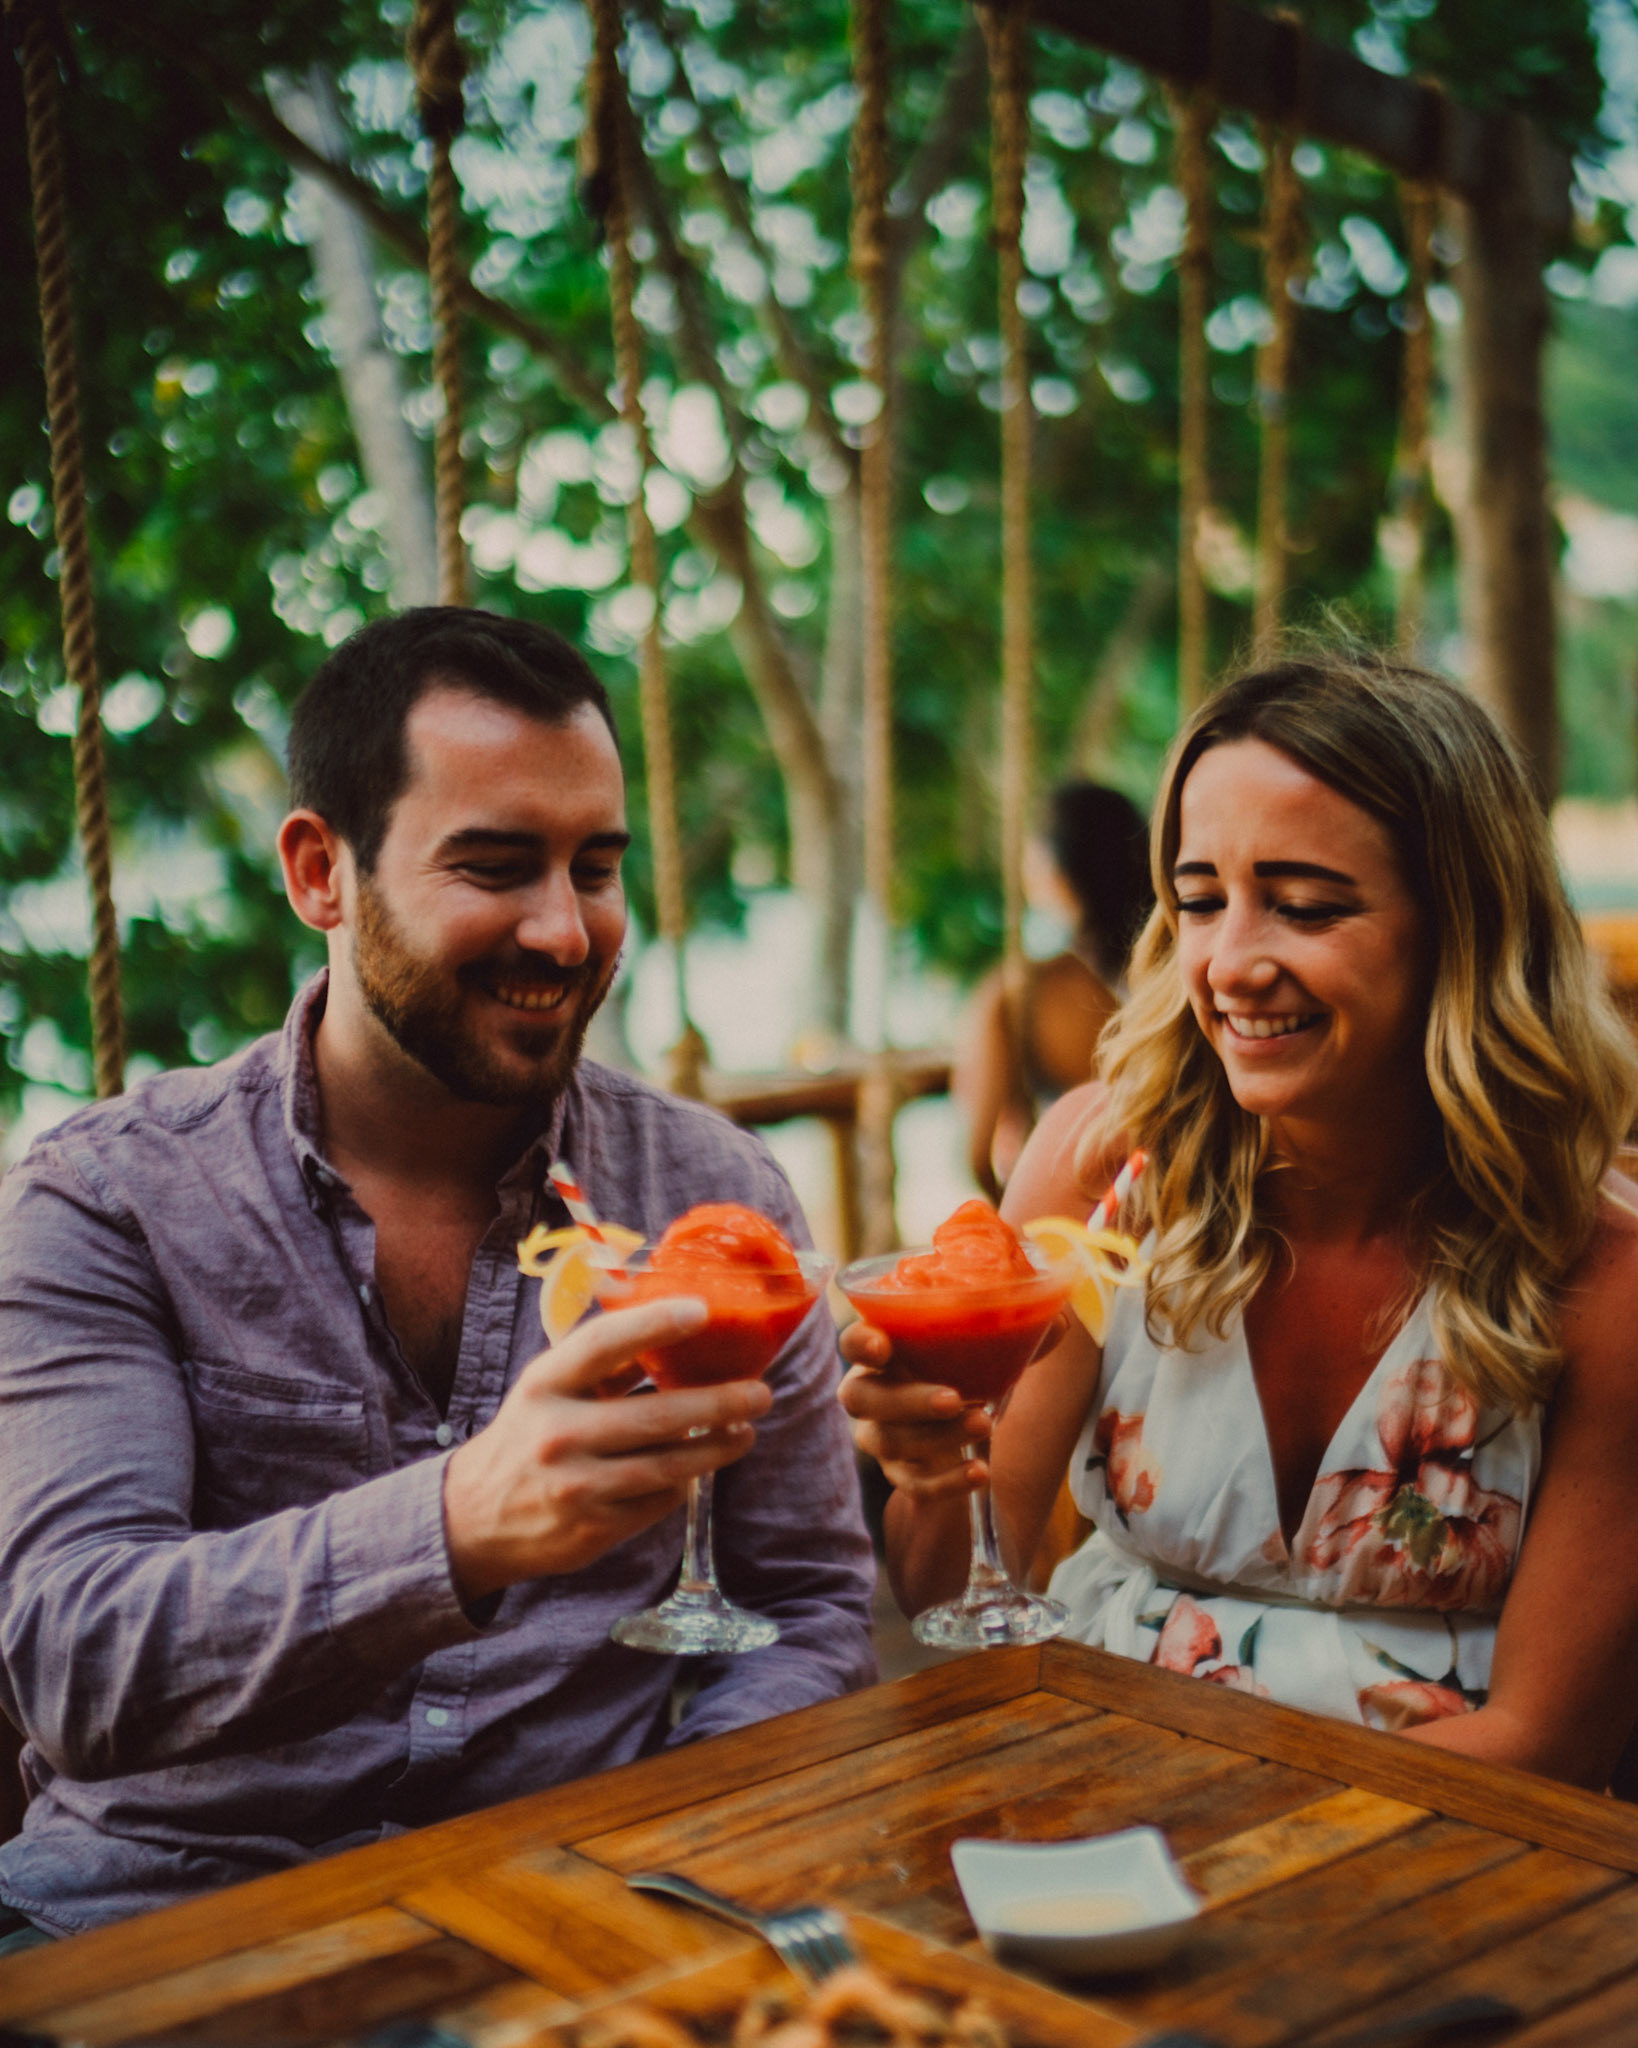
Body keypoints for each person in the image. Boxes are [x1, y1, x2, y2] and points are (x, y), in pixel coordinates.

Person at [0, 607, 875, 1939]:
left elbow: (803, 1603)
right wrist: (457, 1522)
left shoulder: (718, 1197)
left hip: (591, 1913)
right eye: (495, 866)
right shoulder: (103, 1200)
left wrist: (686, 1851)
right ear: (319, 874)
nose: (564, 932)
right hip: (158, 1929)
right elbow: (78, 1658)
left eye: (594, 867)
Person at [844, 650, 1638, 1789]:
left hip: (1438, 1859)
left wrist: (1217, 1842)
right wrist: (929, 1468)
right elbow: (952, 1594)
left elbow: (1544, 1743)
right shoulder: (1098, 1178)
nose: (1230, 964)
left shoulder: (1604, 1272)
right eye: (1201, 900)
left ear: (1462, 925)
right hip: (1088, 1825)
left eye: (1306, 906)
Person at [956, 782, 1151, 1201]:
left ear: (1056, 871)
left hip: (1072, 1217)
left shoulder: (1021, 994)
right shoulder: (1175, 978)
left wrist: (1023, 1219)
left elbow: (976, 1155)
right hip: (1173, 1214)